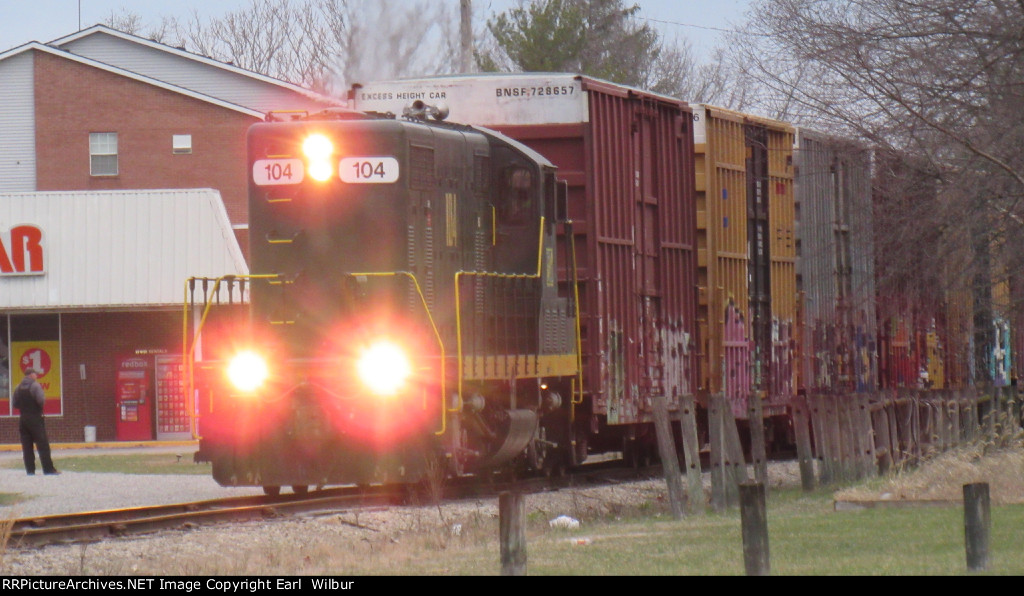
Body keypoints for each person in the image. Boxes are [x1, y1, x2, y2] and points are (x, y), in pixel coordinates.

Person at [13, 367, 59, 475]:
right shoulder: (35, 386)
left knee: (27, 446)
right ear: (31, 375)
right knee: (43, 444)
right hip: (35, 418)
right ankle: (48, 469)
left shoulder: (18, 387)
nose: (37, 376)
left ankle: (30, 471)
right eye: (35, 374)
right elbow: (41, 401)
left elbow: (15, 403)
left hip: (23, 419)